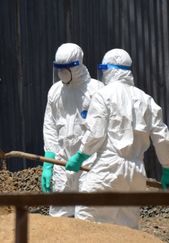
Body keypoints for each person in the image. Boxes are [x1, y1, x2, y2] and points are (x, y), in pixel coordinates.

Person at [65, 48, 169, 228]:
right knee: (127, 228)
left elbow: (95, 133)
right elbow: (162, 137)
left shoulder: (103, 95)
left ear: (109, 69)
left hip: (108, 170)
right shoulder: (145, 99)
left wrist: (81, 156)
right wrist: (168, 169)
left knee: (87, 218)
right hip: (136, 175)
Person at [42, 43, 104, 217]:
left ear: (76, 66)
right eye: (59, 69)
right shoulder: (55, 92)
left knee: (88, 215)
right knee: (59, 215)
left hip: (89, 161)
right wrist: (49, 161)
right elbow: (50, 127)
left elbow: (99, 130)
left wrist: (82, 155)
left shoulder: (96, 90)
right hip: (62, 161)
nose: (61, 73)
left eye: (65, 69)